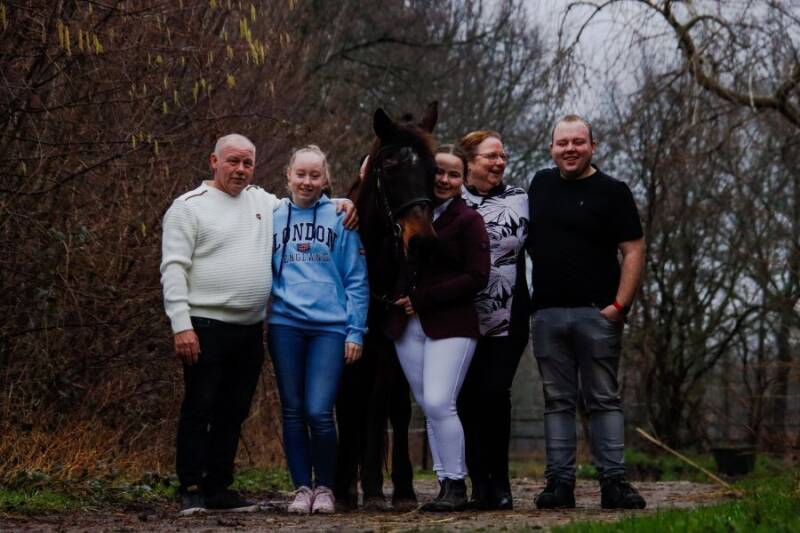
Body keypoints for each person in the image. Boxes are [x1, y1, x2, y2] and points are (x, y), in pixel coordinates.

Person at [160, 134, 356, 516]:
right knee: (200, 407)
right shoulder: (187, 207)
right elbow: (173, 268)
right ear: (213, 161)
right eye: (232, 162)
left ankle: (219, 486)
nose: (240, 170)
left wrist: (344, 202)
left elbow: (306, 200)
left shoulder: (264, 203)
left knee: (234, 411)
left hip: (250, 328)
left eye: (247, 163)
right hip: (203, 325)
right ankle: (192, 486)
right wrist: (181, 324)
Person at [526, 114, 646, 509]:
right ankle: (559, 485)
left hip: (597, 314)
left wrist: (619, 306)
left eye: (578, 142)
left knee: (603, 400)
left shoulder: (613, 191)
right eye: (563, 143)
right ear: (552, 149)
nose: (570, 149)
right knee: (557, 401)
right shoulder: (539, 185)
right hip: (546, 314)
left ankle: (613, 483)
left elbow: (633, 250)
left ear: (593, 146)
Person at [386, 144, 490, 512]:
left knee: (438, 401)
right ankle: (446, 485)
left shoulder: (468, 219)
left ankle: (457, 484)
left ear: (463, 180)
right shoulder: (409, 212)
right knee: (429, 407)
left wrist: (424, 299)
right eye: (439, 173)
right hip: (407, 325)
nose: (444, 180)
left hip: (452, 325)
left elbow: (478, 277)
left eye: (453, 174)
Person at [268, 145, 369, 515]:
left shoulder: (342, 217)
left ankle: (325, 487)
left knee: (319, 411)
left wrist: (355, 331)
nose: (307, 181)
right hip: (284, 325)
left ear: (325, 179)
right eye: (301, 174)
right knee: (293, 411)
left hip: (330, 328)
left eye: (315, 175)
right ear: (288, 175)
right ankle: (301, 488)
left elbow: (357, 280)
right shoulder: (272, 215)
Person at [335, 154, 418, 512]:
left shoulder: (405, 210)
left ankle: (398, 477)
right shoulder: (346, 211)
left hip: (392, 311)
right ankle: (348, 481)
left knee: (395, 397)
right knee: (351, 396)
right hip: (353, 312)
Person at [457, 130, 530, 510]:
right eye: (490, 156)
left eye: (502, 156)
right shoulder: (450, 198)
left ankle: (500, 483)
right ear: (469, 161)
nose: (499, 162)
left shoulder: (521, 199)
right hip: (460, 316)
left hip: (509, 314)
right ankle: (477, 483)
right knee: (466, 398)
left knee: (494, 393)